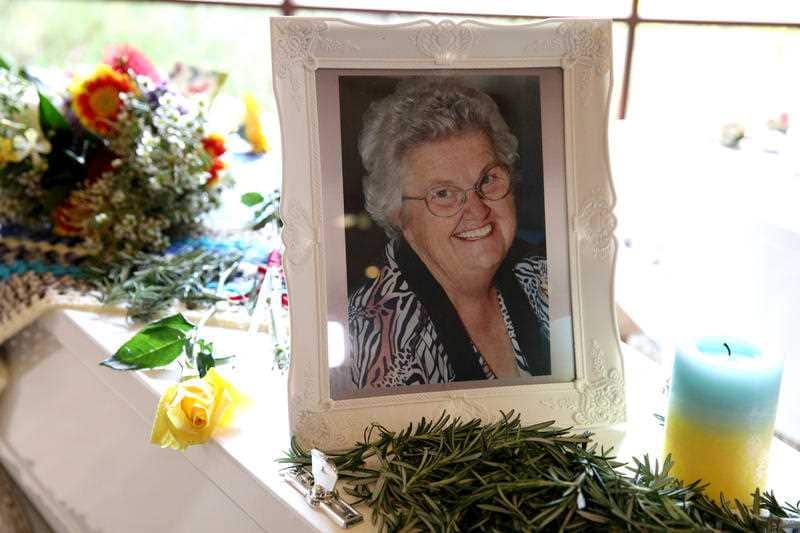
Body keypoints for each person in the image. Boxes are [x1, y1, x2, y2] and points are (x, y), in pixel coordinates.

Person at [349, 77, 549, 389]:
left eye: (487, 179)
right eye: (443, 193)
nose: (478, 210)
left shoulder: (544, 277)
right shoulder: (383, 340)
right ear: (400, 215)